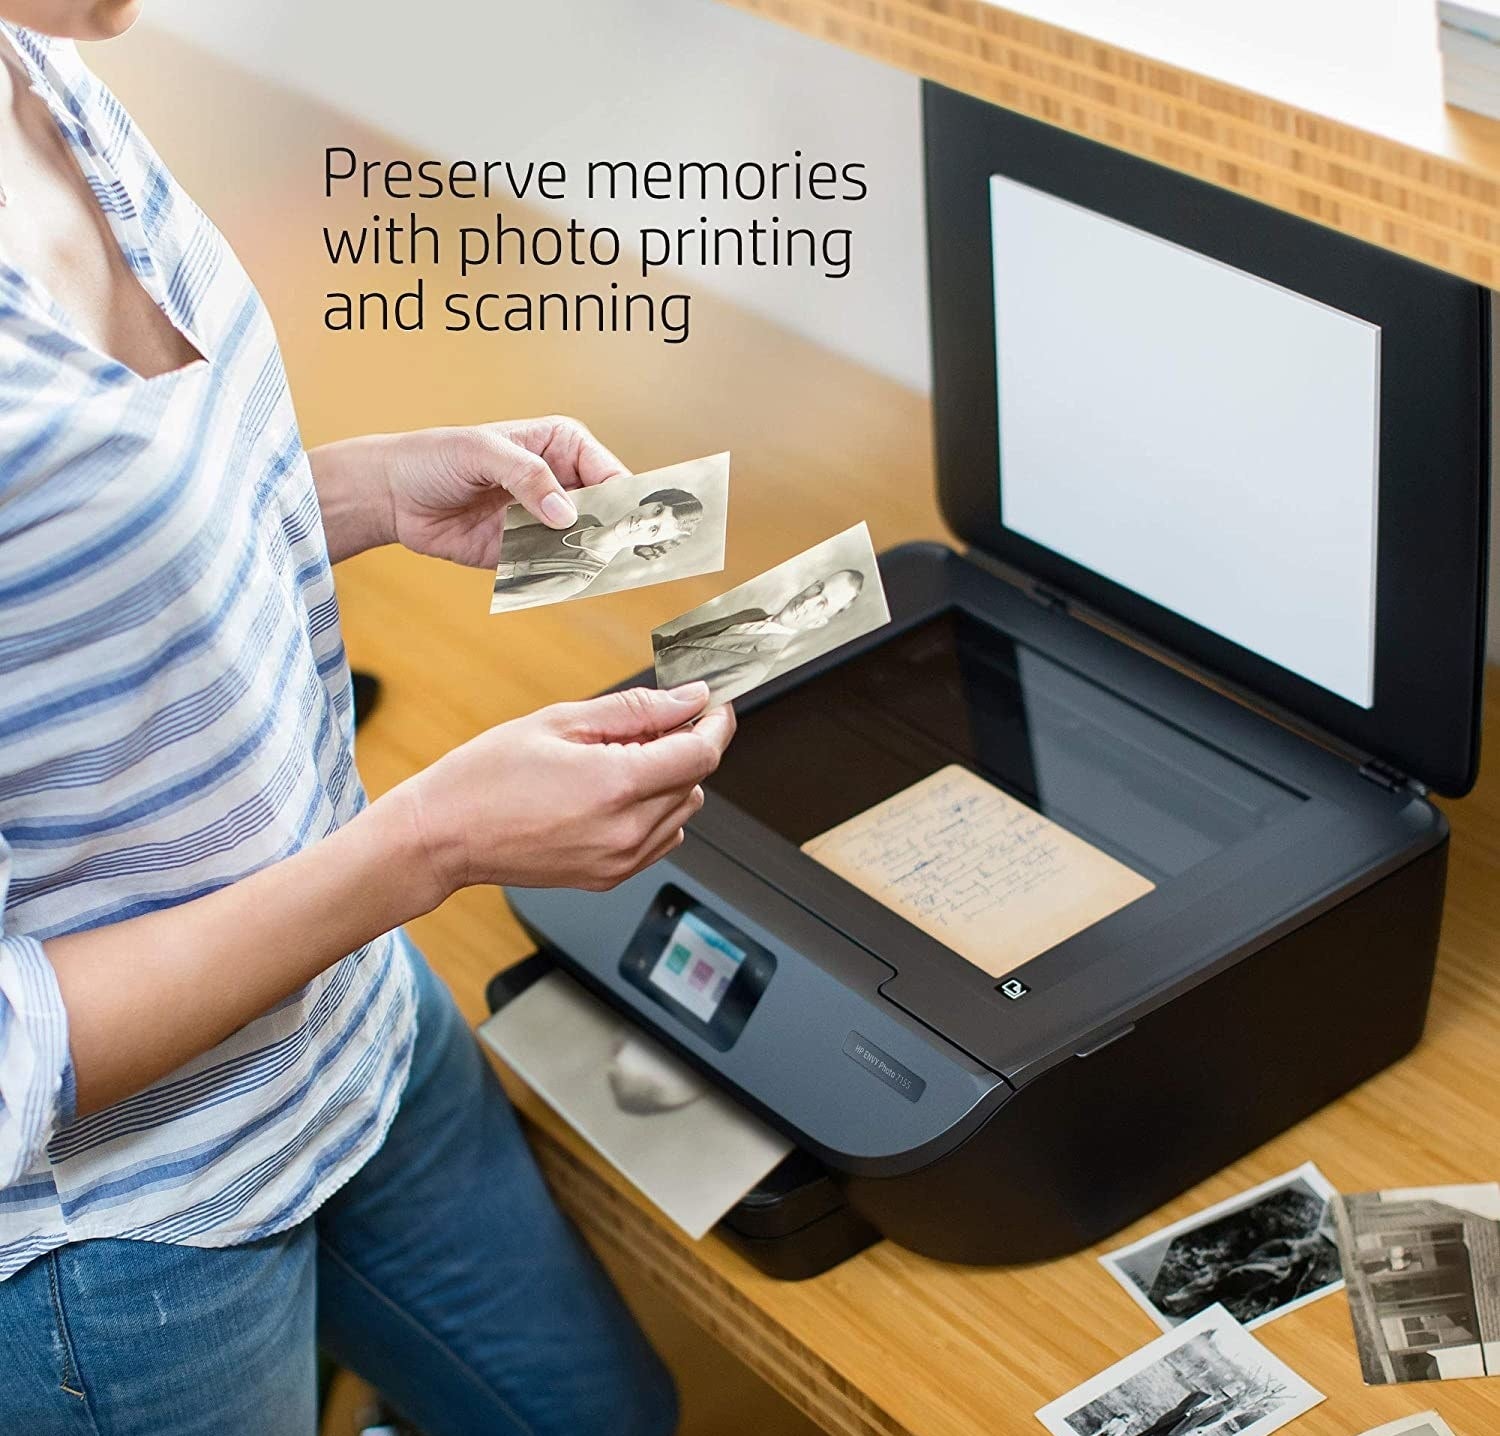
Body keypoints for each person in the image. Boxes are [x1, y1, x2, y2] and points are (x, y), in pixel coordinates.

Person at [0, 8, 735, 1434]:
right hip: (119, 1233)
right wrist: (427, 848)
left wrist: (354, 493)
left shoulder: (46, 69)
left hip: (345, 1024)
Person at [653, 568, 865, 696]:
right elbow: (675, 641)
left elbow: (684, 709)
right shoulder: (753, 613)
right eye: (818, 589)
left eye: (822, 603)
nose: (808, 601)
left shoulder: (757, 665)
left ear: (818, 623)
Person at [492, 487, 704, 607]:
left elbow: (498, 603)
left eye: (654, 530)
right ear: (652, 501)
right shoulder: (584, 520)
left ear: (652, 543)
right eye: (657, 510)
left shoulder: (573, 578)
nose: (643, 522)